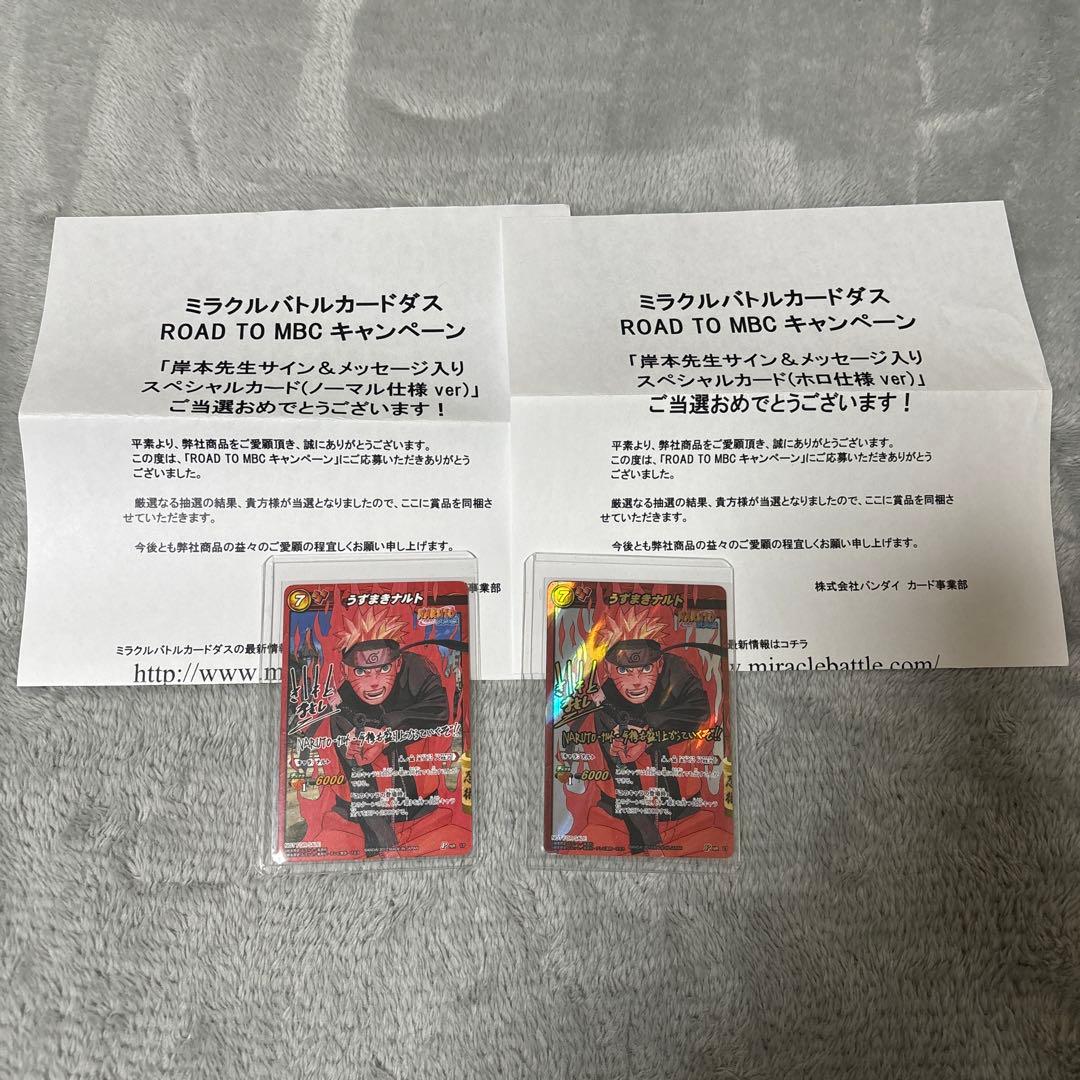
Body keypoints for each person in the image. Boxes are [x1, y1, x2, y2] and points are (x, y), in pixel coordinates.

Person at [556, 609, 731, 856]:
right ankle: (644, 839)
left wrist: (647, 735)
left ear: (659, 665)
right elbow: (623, 779)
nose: (636, 681)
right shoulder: (606, 704)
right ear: (609, 669)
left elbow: (699, 712)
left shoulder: (679, 674)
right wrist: (649, 843)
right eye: (624, 671)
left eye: (645, 668)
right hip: (620, 818)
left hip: (688, 813)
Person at [298, 609, 469, 858]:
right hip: (363, 817)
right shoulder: (343, 702)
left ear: (397, 664)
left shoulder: (418, 670)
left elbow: (439, 711)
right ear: (346, 671)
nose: (374, 682)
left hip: (423, 806)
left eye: (383, 668)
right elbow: (359, 781)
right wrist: (387, 846)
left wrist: (387, 735)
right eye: (361, 672)